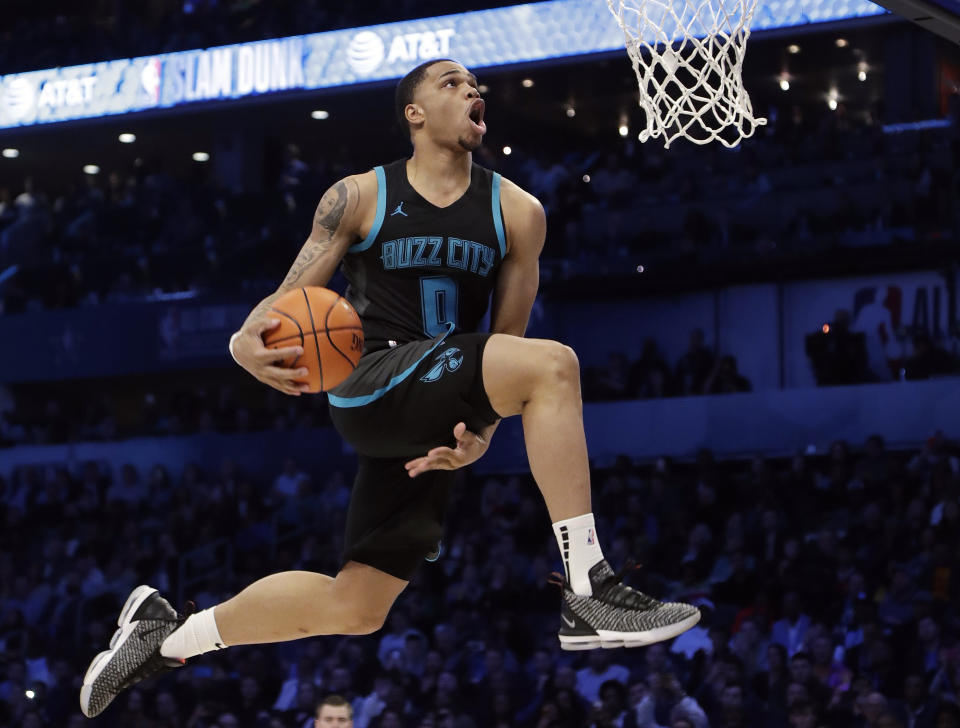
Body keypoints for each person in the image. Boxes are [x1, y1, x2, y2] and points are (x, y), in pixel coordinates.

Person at [79, 58, 699, 718]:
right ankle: (589, 586)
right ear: (415, 112)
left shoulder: (519, 212)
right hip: (370, 383)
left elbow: (506, 348)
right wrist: (241, 339)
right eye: (452, 84)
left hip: (438, 409)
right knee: (557, 365)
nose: (473, 92)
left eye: (476, 87)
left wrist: (481, 435)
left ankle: (164, 639)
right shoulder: (360, 196)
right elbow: (285, 303)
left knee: (357, 606)